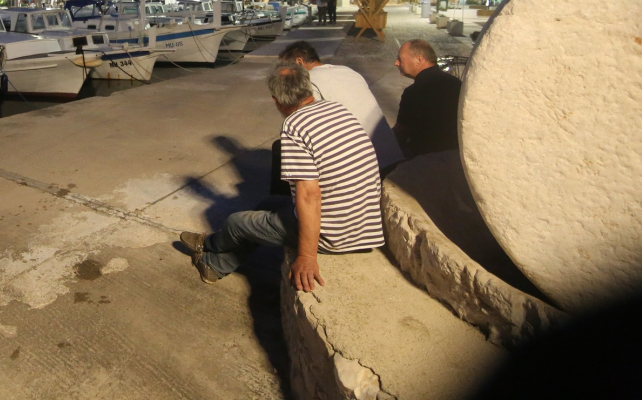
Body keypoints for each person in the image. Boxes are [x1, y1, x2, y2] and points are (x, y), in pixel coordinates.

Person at [180, 63, 384, 289]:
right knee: (268, 204)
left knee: (236, 222)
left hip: (334, 234)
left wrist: (307, 257)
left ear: (276, 100)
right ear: (308, 87)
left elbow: (309, 196)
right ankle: (215, 265)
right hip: (363, 225)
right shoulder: (336, 109)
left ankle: (208, 246)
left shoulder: (295, 126)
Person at [277, 41, 403, 179]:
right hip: (390, 154)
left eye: (286, 68)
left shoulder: (308, 81)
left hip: (362, 167)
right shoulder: (347, 71)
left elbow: (307, 127)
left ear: (299, 62)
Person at [393, 40, 462, 158]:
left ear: (419, 59)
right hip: (456, 154)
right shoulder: (456, 83)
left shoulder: (414, 92)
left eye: (400, 59)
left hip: (426, 157)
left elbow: (400, 135)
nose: (396, 63)